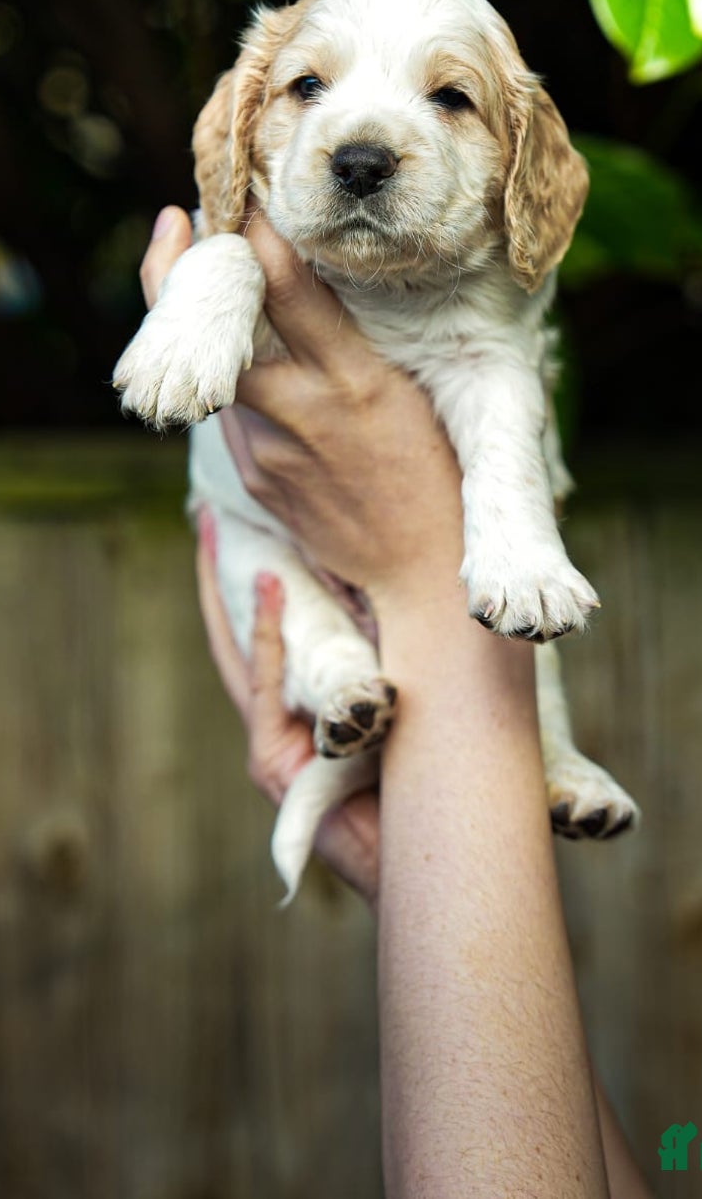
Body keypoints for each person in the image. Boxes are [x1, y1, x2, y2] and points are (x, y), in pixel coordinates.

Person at [140, 204, 653, 1199]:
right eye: (309, 86)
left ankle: (543, 747)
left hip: (454, 613)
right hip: (307, 609)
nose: (365, 145)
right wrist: (404, 872)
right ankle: (338, 673)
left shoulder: (482, 310)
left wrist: (423, 576)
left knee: (517, 610)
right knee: (269, 576)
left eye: (450, 98)